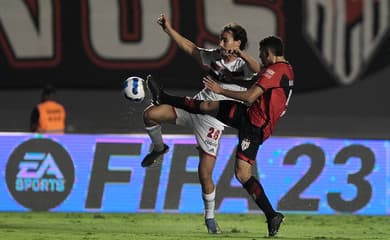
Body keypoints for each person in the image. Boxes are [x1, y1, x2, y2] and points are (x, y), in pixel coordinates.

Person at [147, 35, 293, 237]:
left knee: (242, 174)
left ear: (268, 53)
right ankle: (163, 97)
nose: (260, 58)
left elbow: (251, 95)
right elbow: (254, 81)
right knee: (208, 105)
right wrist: (229, 80)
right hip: (248, 115)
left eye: (261, 55)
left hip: (255, 127)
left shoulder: (276, 70)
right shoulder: (285, 69)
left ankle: (272, 215)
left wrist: (221, 89)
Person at [142, 14, 260, 234]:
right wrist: (168, 29)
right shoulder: (214, 56)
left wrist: (242, 54)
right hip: (194, 105)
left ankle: (210, 219)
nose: (221, 43)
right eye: (221, 39)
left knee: (204, 175)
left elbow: (259, 71)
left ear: (238, 43)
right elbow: (191, 48)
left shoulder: (243, 65)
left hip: (214, 121)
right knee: (150, 115)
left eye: (226, 39)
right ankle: (159, 148)